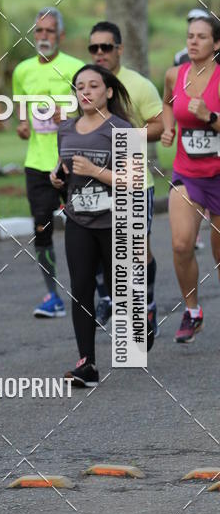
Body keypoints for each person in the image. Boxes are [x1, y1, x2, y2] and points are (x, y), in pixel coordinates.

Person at [51, 64, 132, 386]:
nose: (85, 92)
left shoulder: (121, 129)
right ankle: (87, 364)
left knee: (119, 290)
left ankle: (141, 326)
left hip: (115, 221)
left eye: (94, 86)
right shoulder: (66, 130)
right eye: (80, 86)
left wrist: (97, 172)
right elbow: (66, 173)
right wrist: (57, 178)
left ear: (109, 91)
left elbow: (134, 181)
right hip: (79, 220)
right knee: (81, 288)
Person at [87, 21, 164, 340]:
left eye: (106, 47)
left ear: (119, 49)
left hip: (132, 182)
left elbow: (158, 124)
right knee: (95, 249)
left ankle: (146, 303)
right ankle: (107, 296)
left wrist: (131, 137)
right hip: (92, 183)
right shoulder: (84, 83)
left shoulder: (139, 84)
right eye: (94, 48)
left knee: (136, 251)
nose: (100, 53)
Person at [13, 8, 83, 318]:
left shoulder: (76, 68)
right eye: (38, 31)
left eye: (49, 32)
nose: (43, 37)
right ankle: (53, 296)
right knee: (41, 229)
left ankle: (96, 291)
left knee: (85, 227)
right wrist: (22, 123)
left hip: (72, 161)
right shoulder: (23, 70)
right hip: (37, 162)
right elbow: (20, 105)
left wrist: (69, 117)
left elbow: (92, 112)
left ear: (61, 36)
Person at [161, 14, 220, 342]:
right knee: (181, 244)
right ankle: (193, 312)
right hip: (188, 175)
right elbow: (168, 103)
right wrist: (169, 127)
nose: (193, 41)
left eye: (201, 36)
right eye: (190, 36)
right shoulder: (175, 75)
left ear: (216, 43)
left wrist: (209, 117)